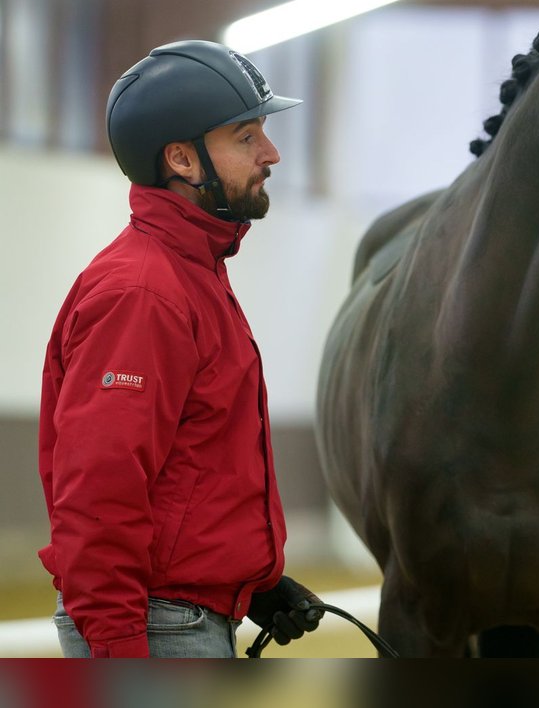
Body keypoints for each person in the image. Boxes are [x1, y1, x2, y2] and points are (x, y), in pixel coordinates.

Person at [38, 41, 324, 658]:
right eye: (247, 137)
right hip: (153, 628)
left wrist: (257, 582)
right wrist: (119, 650)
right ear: (182, 160)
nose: (271, 154)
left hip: (182, 619)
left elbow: (193, 467)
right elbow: (99, 493)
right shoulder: (144, 294)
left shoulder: (192, 274)